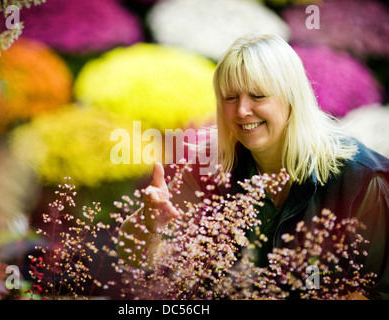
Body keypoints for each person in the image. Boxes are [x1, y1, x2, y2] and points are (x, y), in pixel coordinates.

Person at [118, 33, 389, 299]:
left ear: (291, 98)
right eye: (230, 98)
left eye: (258, 96)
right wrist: (150, 225)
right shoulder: (208, 165)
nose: (241, 111)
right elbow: (137, 260)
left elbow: (379, 290)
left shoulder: (359, 179)